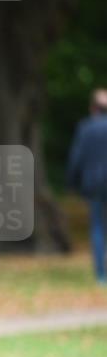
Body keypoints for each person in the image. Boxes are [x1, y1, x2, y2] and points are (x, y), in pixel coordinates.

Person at [67, 87, 107, 284]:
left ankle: (101, 274)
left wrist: (72, 183)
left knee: (98, 227)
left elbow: (77, 158)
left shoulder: (86, 127)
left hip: (94, 184)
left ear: (93, 108)